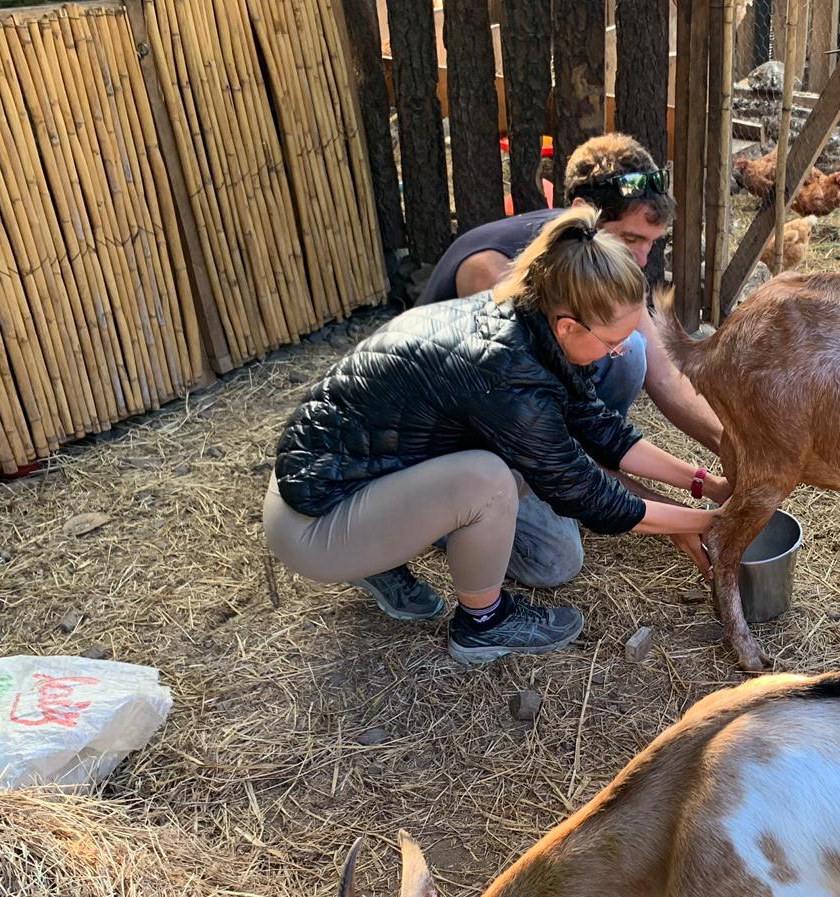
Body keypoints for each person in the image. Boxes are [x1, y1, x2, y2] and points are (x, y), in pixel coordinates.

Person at [264, 209, 730, 665]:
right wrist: (710, 523)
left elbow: (600, 426)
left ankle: (379, 555)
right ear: (569, 326)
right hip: (314, 517)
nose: (620, 351)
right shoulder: (507, 373)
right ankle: (482, 624)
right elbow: (586, 495)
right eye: (612, 343)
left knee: (526, 514)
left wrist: (704, 485)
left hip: (350, 473)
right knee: (487, 479)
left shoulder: (529, 320)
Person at [421, 134, 725, 586]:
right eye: (631, 238)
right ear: (584, 210)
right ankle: (432, 522)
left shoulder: (591, 260)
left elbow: (664, 376)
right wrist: (677, 518)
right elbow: (551, 445)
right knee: (554, 561)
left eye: (651, 243)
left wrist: (730, 451)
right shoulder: (496, 279)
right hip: (451, 446)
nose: (641, 259)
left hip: (525, 422)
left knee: (630, 353)